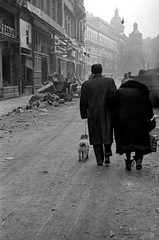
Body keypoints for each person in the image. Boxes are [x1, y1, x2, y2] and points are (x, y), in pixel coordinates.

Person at [80, 63, 117, 166]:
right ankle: (107, 154)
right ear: (101, 70)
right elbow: (115, 96)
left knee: (96, 135)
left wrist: (84, 114)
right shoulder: (109, 81)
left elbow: (83, 101)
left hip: (93, 113)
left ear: (92, 72)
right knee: (107, 132)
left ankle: (99, 159)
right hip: (107, 112)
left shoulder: (86, 84)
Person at [114, 78, 155, 171]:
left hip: (124, 121)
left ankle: (128, 162)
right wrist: (150, 117)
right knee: (139, 142)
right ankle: (139, 161)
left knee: (127, 142)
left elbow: (114, 106)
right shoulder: (141, 91)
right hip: (140, 121)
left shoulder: (120, 92)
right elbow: (148, 106)